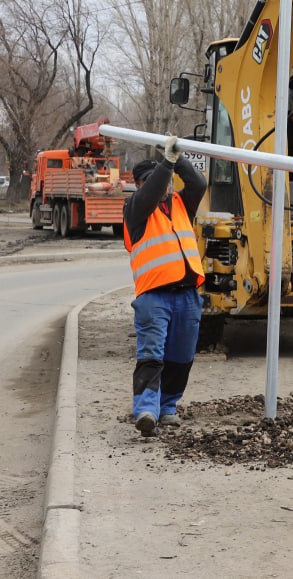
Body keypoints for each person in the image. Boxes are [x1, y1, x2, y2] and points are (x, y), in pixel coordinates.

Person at [122, 134, 207, 438]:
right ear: (140, 185)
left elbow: (198, 183)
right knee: (152, 355)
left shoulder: (182, 204)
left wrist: (177, 158)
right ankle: (146, 409)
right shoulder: (136, 209)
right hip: (153, 297)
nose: (165, 187)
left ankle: (168, 407)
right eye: (156, 182)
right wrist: (165, 165)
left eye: (168, 181)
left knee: (181, 357)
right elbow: (152, 191)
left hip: (187, 295)